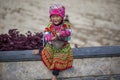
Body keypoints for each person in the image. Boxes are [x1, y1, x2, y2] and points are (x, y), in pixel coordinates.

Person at [41, 4, 73, 80]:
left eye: (57, 16)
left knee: (58, 59)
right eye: (53, 16)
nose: (55, 19)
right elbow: (45, 35)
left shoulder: (65, 25)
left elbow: (69, 32)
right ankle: (39, 51)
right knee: (45, 52)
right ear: (50, 17)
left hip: (62, 46)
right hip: (52, 45)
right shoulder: (50, 25)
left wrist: (60, 33)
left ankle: (54, 75)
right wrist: (50, 37)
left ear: (62, 17)